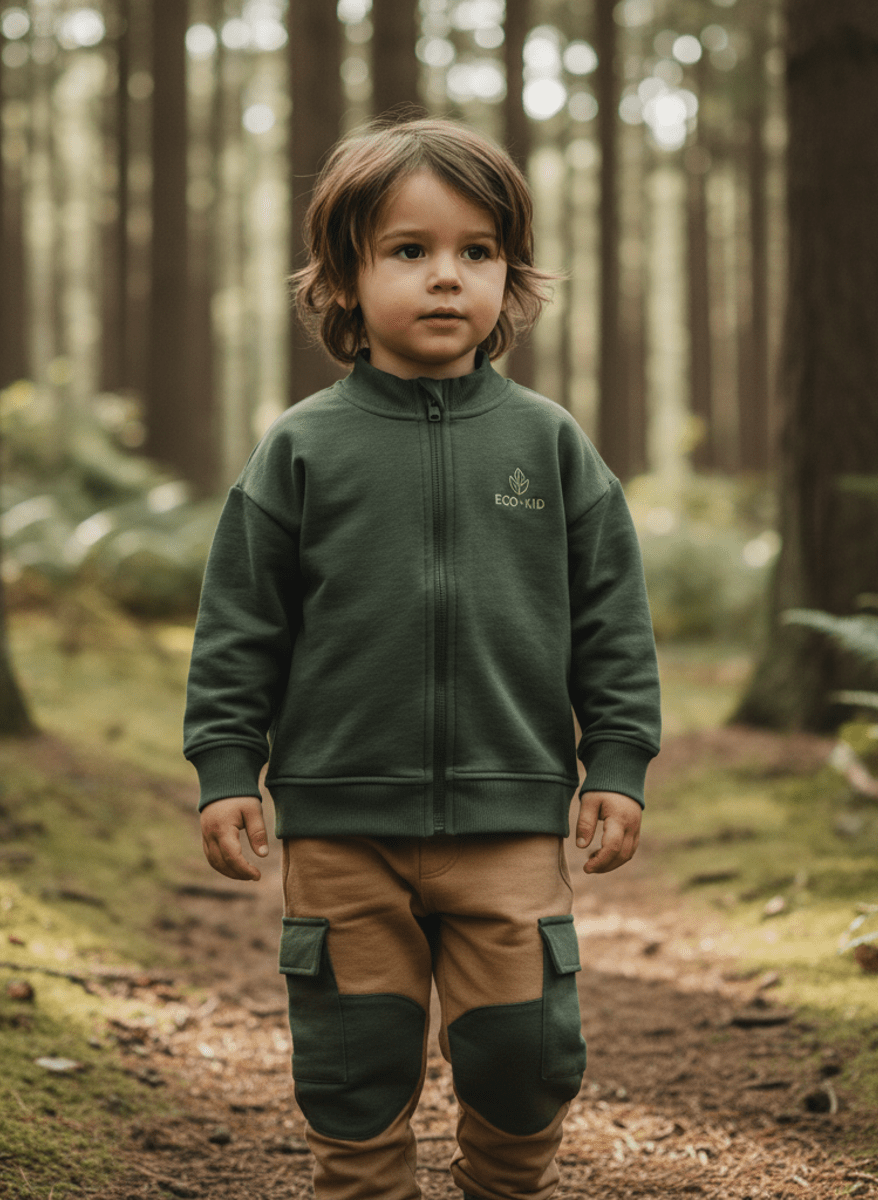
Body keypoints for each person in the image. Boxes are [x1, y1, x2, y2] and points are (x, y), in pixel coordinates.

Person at [184, 117, 661, 1200]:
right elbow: (241, 624)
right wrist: (224, 769)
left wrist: (620, 764)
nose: (447, 277)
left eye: (477, 251)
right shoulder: (302, 447)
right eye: (409, 250)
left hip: (509, 820)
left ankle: (505, 1184)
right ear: (345, 279)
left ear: (510, 275)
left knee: (526, 1051)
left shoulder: (549, 445)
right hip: (343, 825)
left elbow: (612, 621)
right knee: (352, 1059)